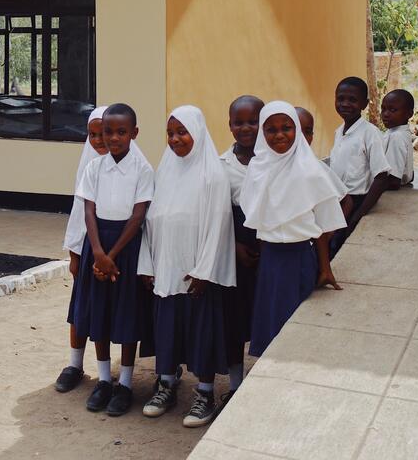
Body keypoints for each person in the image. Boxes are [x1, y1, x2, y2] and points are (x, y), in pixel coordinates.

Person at [138, 106, 235, 428]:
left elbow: (218, 226)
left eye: (182, 132)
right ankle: (166, 383)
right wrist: (147, 264)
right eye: (170, 133)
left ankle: (204, 393)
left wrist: (205, 271)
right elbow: (148, 224)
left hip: (197, 274)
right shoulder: (163, 171)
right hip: (166, 268)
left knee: (201, 333)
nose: (176, 139)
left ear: (198, 132)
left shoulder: (212, 174)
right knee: (167, 330)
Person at [241, 101, 346, 356]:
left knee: (295, 327)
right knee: (271, 323)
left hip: (299, 258)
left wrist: (325, 268)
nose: (279, 135)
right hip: (269, 261)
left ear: (297, 130)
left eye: (287, 128)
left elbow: (322, 227)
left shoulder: (310, 171)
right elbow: (257, 215)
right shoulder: (257, 169)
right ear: (262, 134)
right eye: (271, 129)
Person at [73, 103, 154, 416]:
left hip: (126, 247)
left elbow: (137, 216)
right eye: (108, 132)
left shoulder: (142, 170)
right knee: (101, 313)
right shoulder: (94, 168)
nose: (114, 138)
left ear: (134, 133)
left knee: (126, 314)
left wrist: (112, 256)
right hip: (97, 245)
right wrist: (97, 253)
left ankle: (126, 384)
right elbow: (89, 211)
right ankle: (104, 380)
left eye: (121, 132)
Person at [55, 105, 109, 394]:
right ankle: (75, 364)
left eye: (105, 134)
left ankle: (117, 374)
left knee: (117, 312)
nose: (99, 140)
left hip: (117, 253)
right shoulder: (87, 166)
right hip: (89, 251)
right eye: (93, 135)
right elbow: (79, 214)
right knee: (81, 308)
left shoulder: (130, 165)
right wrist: (74, 254)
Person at [217, 94, 263, 399]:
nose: (246, 128)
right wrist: (234, 245)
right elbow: (217, 213)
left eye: (253, 121)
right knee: (234, 318)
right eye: (239, 122)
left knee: (265, 315)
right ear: (230, 125)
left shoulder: (274, 158)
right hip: (235, 248)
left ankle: (265, 382)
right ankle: (235, 384)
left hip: (269, 246)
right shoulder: (222, 164)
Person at [329, 77, 391, 234]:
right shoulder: (339, 131)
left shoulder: (370, 133)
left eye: (352, 100)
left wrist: (359, 214)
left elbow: (382, 176)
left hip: (356, 201)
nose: (345, 104)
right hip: (338, 200)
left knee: (340, 242)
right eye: (340, 98)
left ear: (364, 104)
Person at [380, 90, 415, 189]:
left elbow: (393, 180)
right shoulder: (394, 132)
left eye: (393, 110)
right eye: (383, 109)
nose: (385, 114)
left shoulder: (397, 136)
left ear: (409, 114)